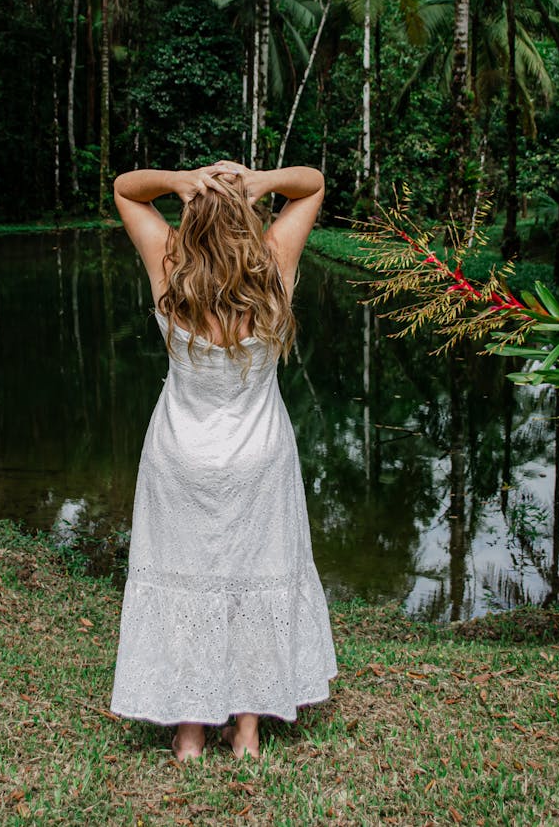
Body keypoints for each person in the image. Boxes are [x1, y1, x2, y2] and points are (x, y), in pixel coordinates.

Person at [109, 160, 337, 760]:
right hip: (258, 458)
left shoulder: (169, 269)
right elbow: (311, 184)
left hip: (179, 458)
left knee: (188, 584)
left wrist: (180, 178)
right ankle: (247, 732)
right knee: (253, 581)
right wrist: (260, 181)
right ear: (248, 215)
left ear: (190, 215)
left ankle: (188, 735)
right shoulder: (273, 267)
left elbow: (125, 192)